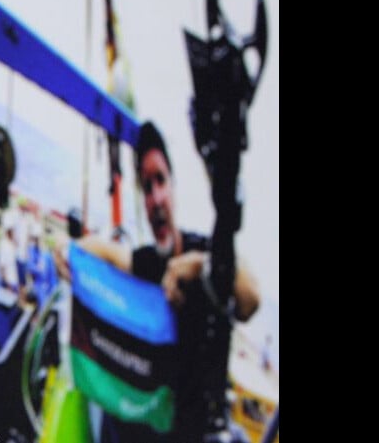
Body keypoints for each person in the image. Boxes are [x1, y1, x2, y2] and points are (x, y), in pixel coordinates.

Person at [54, 121, 260, 443]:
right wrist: (68, 255)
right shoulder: (148, 261)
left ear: (174, 186)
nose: (156, 198)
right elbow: (108, 252)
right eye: (146, 187)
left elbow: (252, 298)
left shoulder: (205, 253)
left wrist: (193, 267)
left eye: (161, 181)